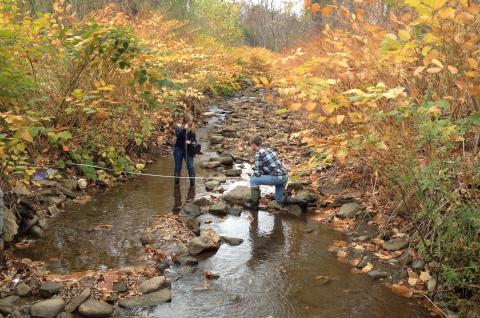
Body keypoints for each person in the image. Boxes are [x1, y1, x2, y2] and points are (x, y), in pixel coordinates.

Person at [248, 136, 307, 210]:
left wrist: (254, 175)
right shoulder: (269, 149)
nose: (251, 147)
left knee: (253, 180)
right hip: (284, 176)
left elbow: (257, 173)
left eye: (250, 145)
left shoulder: (258, 153)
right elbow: (272, 166)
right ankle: (301, 201)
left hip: (277, 178)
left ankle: (254, 205)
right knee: (279, 199)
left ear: (253, 144)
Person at [173, 112, 197, 186]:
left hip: (188, 149)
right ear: (186, 121)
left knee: (190, 166)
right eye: (190, 120)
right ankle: (176, 184)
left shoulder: (192, 127)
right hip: (178, 149)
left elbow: (194, 138)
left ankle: (192, 185)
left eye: (192, 120)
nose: (191, 122)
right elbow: (179, 137)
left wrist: (190, 141)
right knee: (178, 166)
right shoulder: (178, 127)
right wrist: (184, 129)